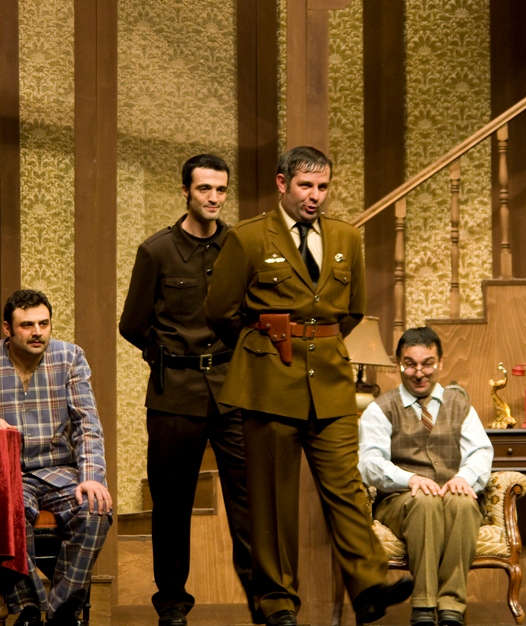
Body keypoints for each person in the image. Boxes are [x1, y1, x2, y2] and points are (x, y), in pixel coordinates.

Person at [204, 146, 412, 626]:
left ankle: (369, 587)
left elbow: (352, 310)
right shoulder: (249, 237)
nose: (315, 196)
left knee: (346, 487)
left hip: (331, 383)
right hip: (268, 381)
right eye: (305, 186)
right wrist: (262, 344)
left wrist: (313, 340)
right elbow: (219, 310)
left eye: (322, 187)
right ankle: (278, 601)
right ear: (282, 184)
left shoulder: (346, 236)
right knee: (272, 501)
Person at [119, 154, 256, 626]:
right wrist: (165, 353)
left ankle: (265, 600)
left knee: (249, 500)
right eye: (204, 189)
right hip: (175, 391)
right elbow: (132, 323)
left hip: (231, 389)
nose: (214, 198)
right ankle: (173, 604)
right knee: (172, 504)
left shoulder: (239, 246)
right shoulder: (156, 251)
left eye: (221, 190)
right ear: (185, 192)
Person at [0, 289, 112, 626]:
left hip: (58, 470)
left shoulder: (70, 357)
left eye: (43, 324)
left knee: (96, 509)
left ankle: (61, 612)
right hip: (7, 474)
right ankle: (29, 609)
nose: (37, 332)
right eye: (27, 325)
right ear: (8, 328)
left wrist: (91, 477)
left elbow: (87, 424)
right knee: (6, 512)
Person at [357, 327, 493, 626]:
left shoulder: (460, 406)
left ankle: (451, 608)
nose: (419, 373)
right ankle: (423, 608)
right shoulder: (380, 409)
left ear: (440, 362)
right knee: (424, 502)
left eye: (427, 364)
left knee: (462, 503)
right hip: (400, 501)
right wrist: (409, 479)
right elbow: (369, 462)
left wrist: (465, 477)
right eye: (410, 364)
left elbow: (481, 452)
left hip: (453, 494)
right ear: (399, 364)